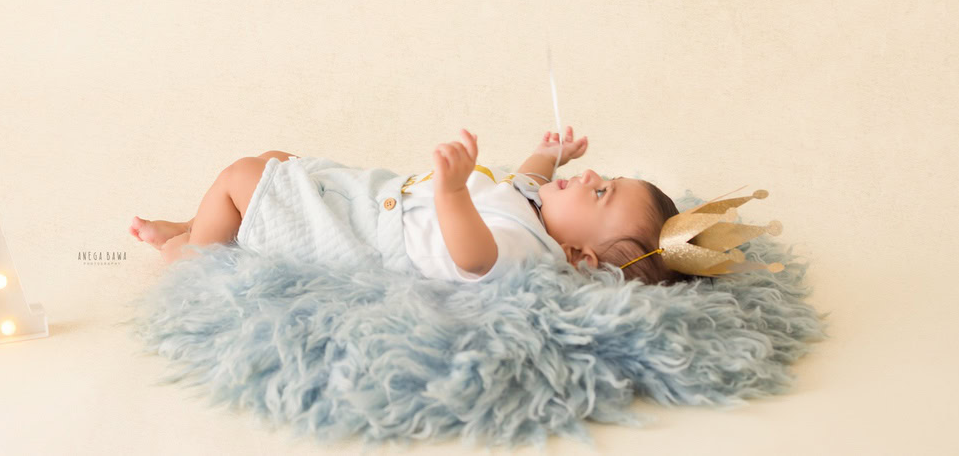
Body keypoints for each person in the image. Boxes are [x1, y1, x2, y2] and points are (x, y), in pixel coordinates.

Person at [130, 126, 696, 286]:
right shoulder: (537, 211)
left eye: (600, 193)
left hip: (357, 236)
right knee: (278, 159)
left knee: (241, 177)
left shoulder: (529, 250)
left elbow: (474, 256)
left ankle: (192, 256)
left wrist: (452, 192)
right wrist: (550, 154)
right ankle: (195, 223)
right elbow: (529, 178)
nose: (592, 176)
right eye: (607, 178)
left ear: (579, 256)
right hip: (368, 195)